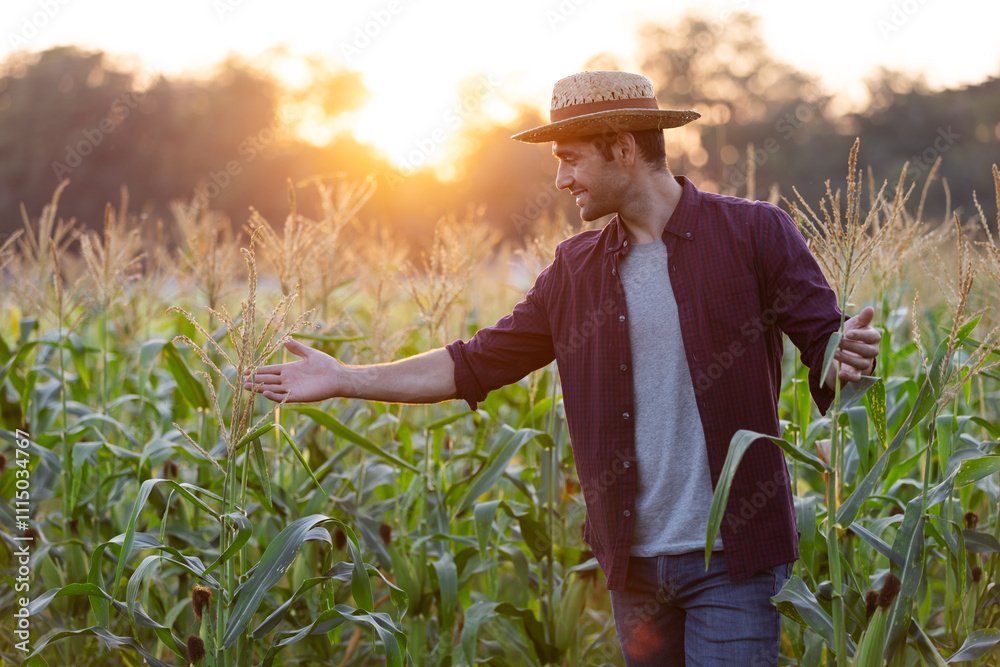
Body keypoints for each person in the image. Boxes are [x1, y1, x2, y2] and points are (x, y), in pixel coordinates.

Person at [245, 70, 880, 666]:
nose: (560, 179)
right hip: (634, 570)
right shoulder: (574, 269)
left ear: (623, 148)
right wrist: (345, 378)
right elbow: (474, 363)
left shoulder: (754, 233)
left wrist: (844, 356)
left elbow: (825, 346)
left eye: (570, 157)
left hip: (735, 561)